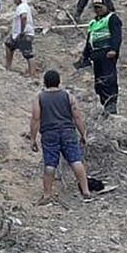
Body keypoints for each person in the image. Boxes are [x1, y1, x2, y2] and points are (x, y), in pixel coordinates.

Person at [30, 70, 92, 204]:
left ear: (45, 82)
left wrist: (33, 138)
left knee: (50, 164)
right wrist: (83, 134)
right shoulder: (68, 96)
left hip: (49, 133)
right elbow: (77, 116)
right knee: (76, 160)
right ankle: (86, 191)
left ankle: (47, 194)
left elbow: (36, 118)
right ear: (59, 82)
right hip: (68, 131)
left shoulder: (39, 97)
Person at [78, 0, 122, 114]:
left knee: (108, 79)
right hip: (96, 55)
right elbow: (89, 39)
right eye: (95, 8)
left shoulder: (112, 18)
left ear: (106, 6)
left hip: (107, 54)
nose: (97, 10)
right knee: (99, 82)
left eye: (100, 7)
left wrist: (114, 49)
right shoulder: (93, 22)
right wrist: (85, 55)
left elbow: (116, 35)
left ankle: (111, 104)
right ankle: (104, 103)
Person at [4, 0, 37, 77]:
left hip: (24, 34)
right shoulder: (25, 6)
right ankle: (8, 67)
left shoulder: (22, 7)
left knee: (28, 54)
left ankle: (32, 75)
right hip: (19, 34)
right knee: (9, 44)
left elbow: (24, 17)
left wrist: (22, 31)